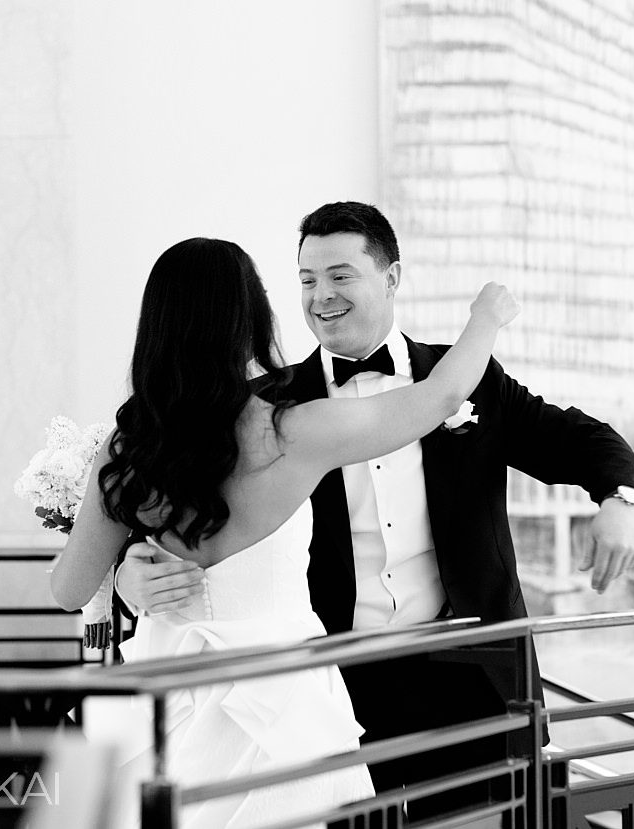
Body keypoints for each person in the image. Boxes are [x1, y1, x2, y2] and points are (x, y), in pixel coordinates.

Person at [118, 203, 634, 819]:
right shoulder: (266, 409)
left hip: (470, 681)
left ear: (392, 277)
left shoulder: (466, 377)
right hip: (331, 688)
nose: (321, 297)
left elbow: (578, 440)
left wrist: (622, 500)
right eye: (307, 280)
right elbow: (174, 519)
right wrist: (127, 575)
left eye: (341, 276)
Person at [51, 236, 519, 827]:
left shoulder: (124, 452)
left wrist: (126, 570)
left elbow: (68, 592)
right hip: (279, 701)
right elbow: (442, 394)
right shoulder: (292, 434)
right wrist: (486, 317)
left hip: (163, 696)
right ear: (250, 319)